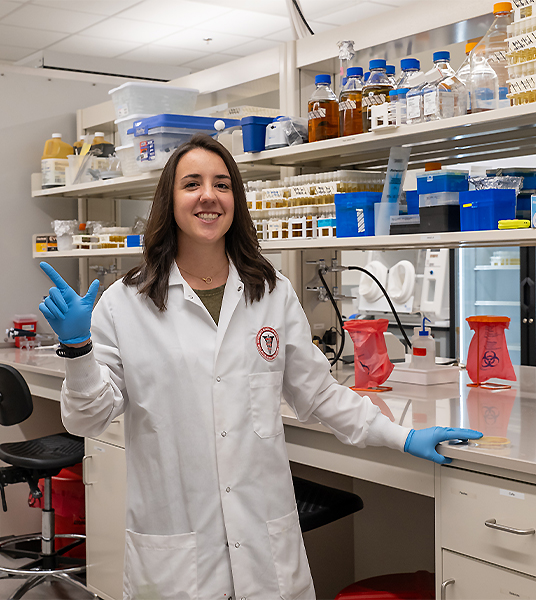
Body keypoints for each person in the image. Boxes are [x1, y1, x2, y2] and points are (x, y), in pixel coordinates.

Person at [39, 134, 482, 600]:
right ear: (169, 201)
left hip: (262, 547)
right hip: (176, 550)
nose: (209, 195)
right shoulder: (126, 302)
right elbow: (88, 417)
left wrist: (404, 437)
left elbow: (320, 394)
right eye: (192, 184)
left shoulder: (270, 291)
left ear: (236, 201)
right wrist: (77, 348)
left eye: (222, 184)